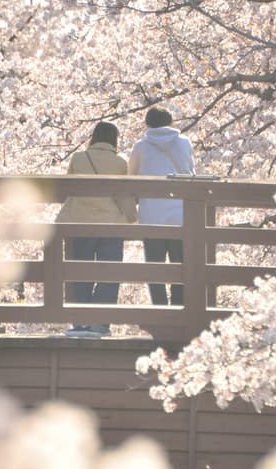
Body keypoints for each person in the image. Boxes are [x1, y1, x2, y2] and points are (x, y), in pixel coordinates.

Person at [57, 121, 135, 336]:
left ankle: (79, 322)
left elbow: (67, 187)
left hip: (79, 223)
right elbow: (124, 194)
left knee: (78, 271)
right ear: (114, 139)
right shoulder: (120, 162)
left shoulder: (79, 158)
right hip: (111, 225)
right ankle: (100, 322)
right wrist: (132, 218)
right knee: (109, 273)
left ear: (94, 136)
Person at [127, 107, 195, 305]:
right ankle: (179, 307)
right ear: (170, 121)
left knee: (154, 267)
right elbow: (190, 171)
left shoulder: (140, 146)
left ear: (148, 123)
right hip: (180, 213)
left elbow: (131, 178)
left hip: (151, 215)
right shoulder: (184, 143)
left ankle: (159, 308)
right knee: (180, 264)